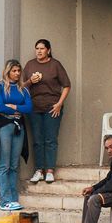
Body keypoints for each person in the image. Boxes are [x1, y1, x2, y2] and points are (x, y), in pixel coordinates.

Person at [23, 39, 71, 184]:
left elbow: (67, 85)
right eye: (37, 48)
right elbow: (22, 86)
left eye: (42, 48)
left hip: (52, 107)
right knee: (37, 140)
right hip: (34, 108)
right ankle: (39, 170)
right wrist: (31, 80)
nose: (39, 51)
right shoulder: (30, 65)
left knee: (50, 139)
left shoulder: (55, 65)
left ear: (48, 50)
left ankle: (50, 170)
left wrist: (59, 104)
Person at [0, 59, 32, 211]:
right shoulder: (0, 86)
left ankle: (14, 199)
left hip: (19, 127)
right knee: (4, 165)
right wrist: (16, 109)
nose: (17, 74)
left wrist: (14, 106)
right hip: (5, 126)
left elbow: (28, 108)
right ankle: (4, 201)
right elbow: (0, 106)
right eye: (14, 71)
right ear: (8, 71)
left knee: (14, 165)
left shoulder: (23, 89)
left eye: (18, 71)